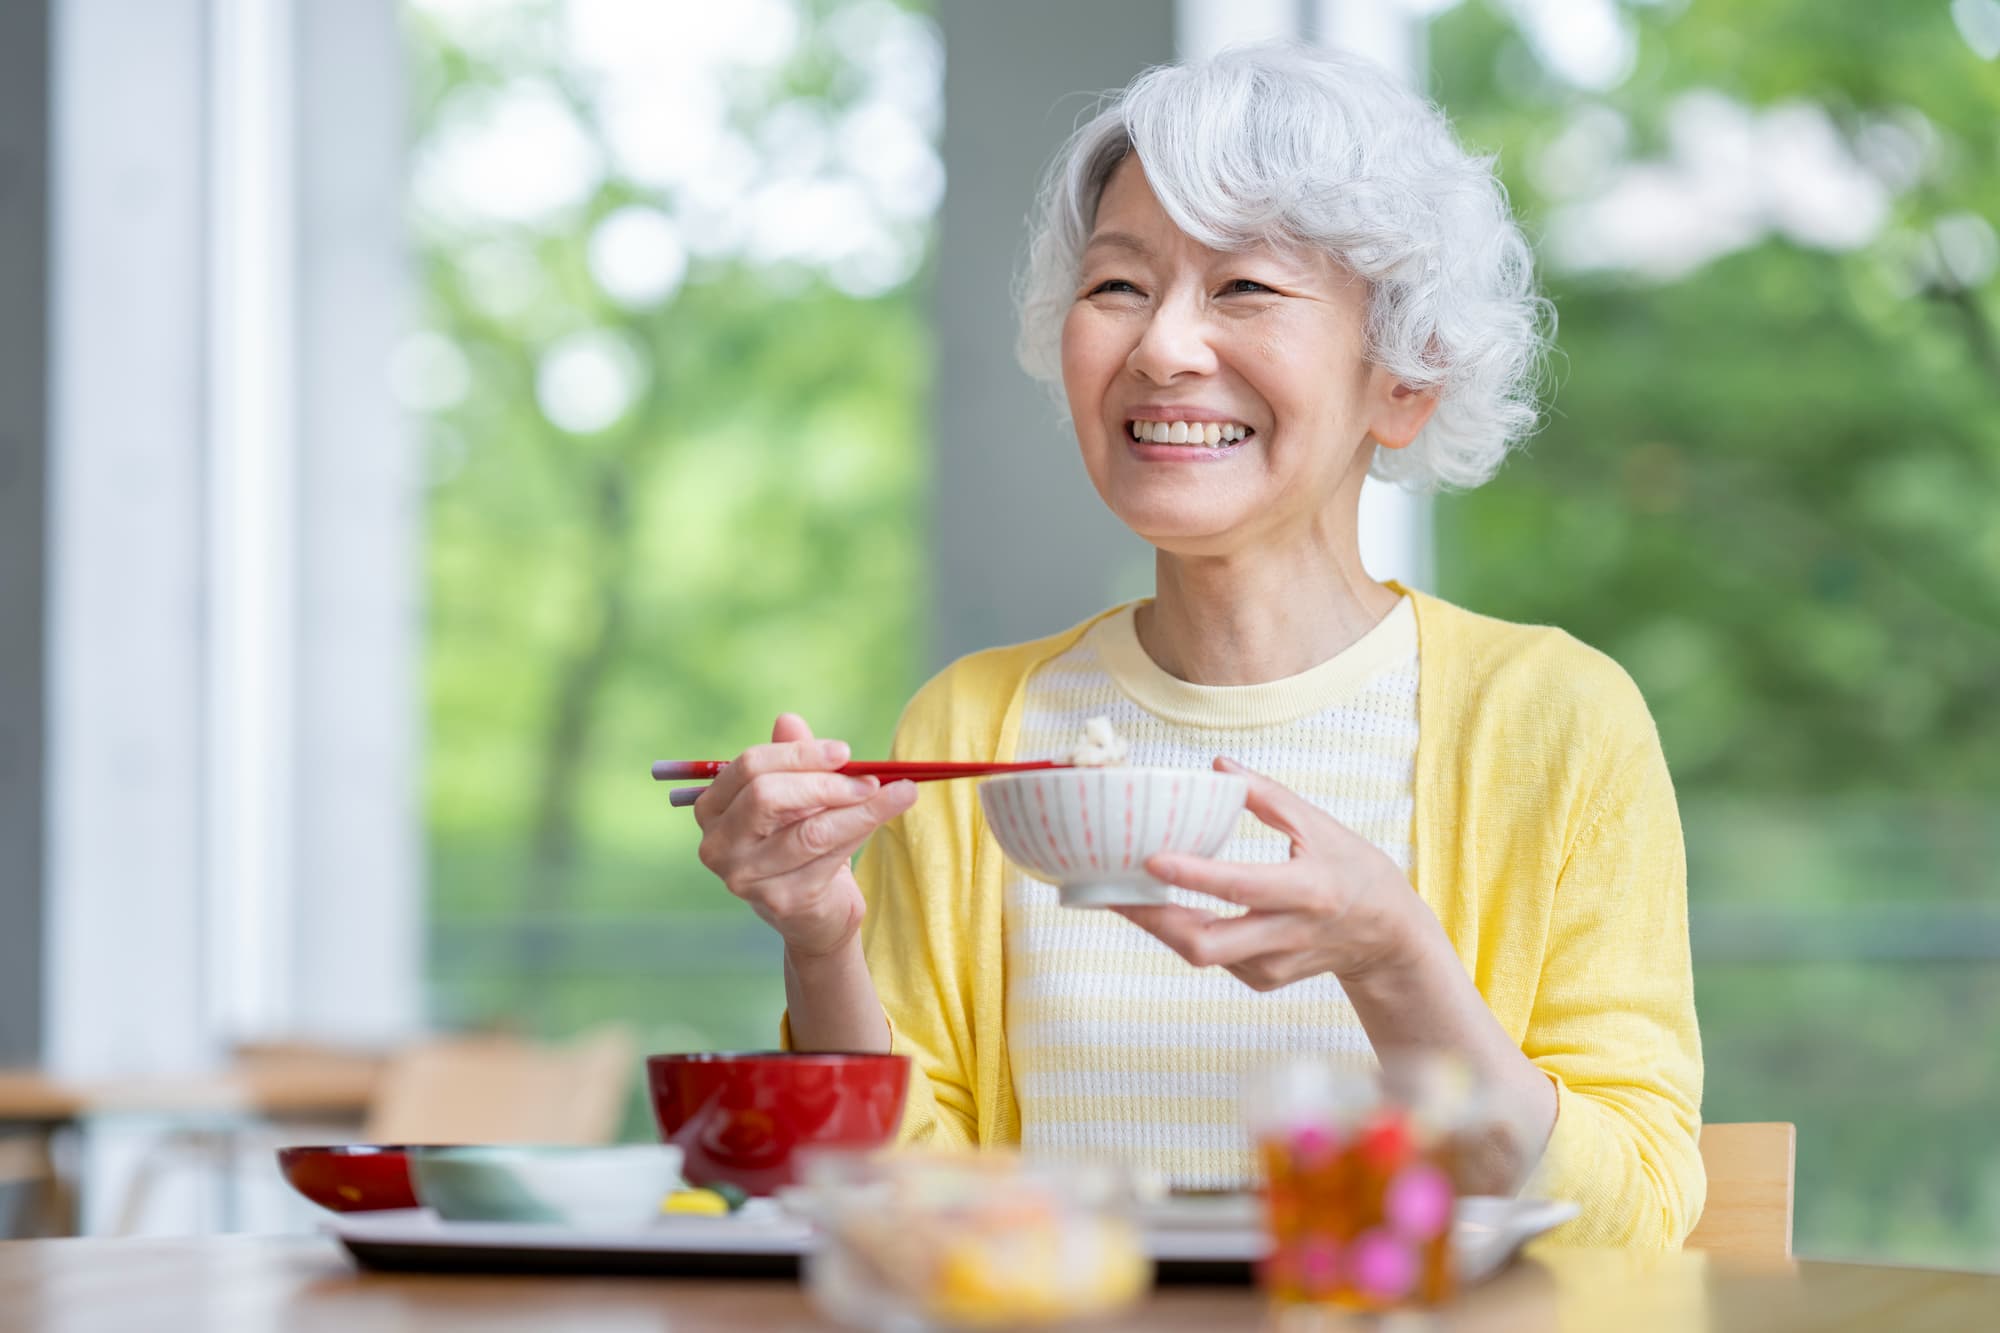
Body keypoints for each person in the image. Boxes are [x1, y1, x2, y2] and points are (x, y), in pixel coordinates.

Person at [690, 41, 1704, 1248]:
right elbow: (900, 1215)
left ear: (1406, 378)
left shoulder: (1553, 718)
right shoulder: (974, 725)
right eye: (1116, 286)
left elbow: (1633, 1225)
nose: (1162, 346)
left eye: (1244, 290)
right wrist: (822, 939)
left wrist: (1392, 957)